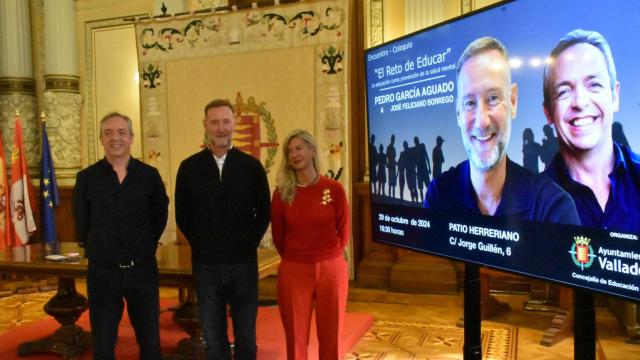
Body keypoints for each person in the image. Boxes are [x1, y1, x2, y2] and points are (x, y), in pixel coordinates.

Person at [424, 37, 578, 224]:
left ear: (513, 101)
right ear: (458, 113)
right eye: (469, 103)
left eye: (493, 98)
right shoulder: (439, 196)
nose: (482, 122)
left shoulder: (552, 208)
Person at [174, 99, 271, 359]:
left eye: (226, 122)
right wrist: (204, 243)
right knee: (213, 338)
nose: (220, 128)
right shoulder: (189, 168)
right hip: (206, 265)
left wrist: (246, 243)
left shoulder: (251, 167)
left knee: (246, 337)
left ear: (233, 124)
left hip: (243, 264)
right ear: (205, 125)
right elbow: (183, 216)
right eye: (214, 122)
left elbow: (264, 212)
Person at [72, 112, 168, 360]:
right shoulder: (86, 179)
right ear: (102, 139)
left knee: (150, 341)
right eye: (109, 133)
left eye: (121, 132)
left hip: (142, 270)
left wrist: (142, 244)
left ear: (132, 137)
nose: (115, 138)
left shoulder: (149, 176)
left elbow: (159, 217)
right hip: (103, 272)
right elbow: (82, 222)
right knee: (103, 343)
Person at [542, 29, 640, 234]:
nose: (580, 102)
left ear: (615, 96)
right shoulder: (534, 200)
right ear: (548, 113)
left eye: (594, 85)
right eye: (564, 91)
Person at [271, 129, 350, 360]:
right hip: (294, 269)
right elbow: (278, 236)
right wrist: (298, 257)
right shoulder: (282, 193)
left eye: (299, 148)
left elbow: (343, 232)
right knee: (295, 337)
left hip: (331, 268)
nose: (294, 154)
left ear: (312, 150)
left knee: (331, 335)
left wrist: (328, 256)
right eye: (289, 151)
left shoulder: (334, 189)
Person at [414, 136, 431, 203]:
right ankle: (422, 201)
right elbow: (415, 161)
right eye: (415, 141)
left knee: (428, 186)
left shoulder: (422, 146)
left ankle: (430, 200)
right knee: (420, 187)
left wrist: (429, 168)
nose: (416, 142)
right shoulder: (415, 149)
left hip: (424, 169)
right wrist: (415, 171)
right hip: (419, 170)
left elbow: (426, 157)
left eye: (417, 140)